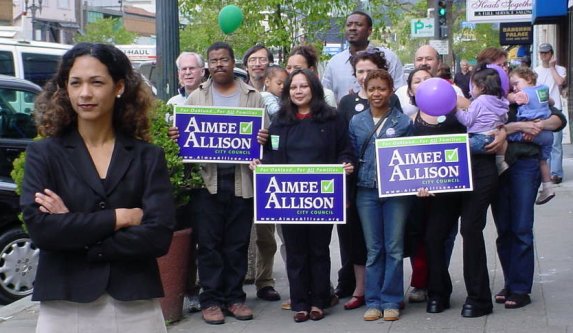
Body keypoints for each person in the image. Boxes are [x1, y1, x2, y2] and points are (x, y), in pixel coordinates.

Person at [20, 42, 175, 333]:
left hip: (135, 305)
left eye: (96, 82)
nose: (85, 93)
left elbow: (158, 236)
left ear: (118, 87)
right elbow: (42, 230)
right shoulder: (44, 154)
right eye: (75, 83)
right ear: (64, 88)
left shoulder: (148, 156)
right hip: (65, 304)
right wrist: (121, 218)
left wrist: (71, 226)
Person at [170, 42, 266, 325]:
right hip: (206, 182)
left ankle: (235, 298)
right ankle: (210, 300)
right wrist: (179, 136)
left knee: (236, 244)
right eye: (214, 60)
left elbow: (269, 138)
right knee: (209, 245)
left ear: (233, 62)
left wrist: (264, 140)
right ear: (208, 66)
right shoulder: (195, 98)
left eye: (224, 59)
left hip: (242, 181)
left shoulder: (253, 97)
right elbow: (186, 140)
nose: (219, 64)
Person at [252, 68, 355, 323]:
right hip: (289, 199)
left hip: (322, 198)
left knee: (319, 250)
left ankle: (319, 301)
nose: (298, 91)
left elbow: (345, 150)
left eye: (303, 86)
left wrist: (345, 163)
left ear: (314, 89)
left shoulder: (332, 119)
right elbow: (272, 156)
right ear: (288, 92)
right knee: (296, 251)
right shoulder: (280, 122)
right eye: (293, 87)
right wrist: (262, 164)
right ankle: (300, 302)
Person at [492, 89, 567, 310]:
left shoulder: (528, 94)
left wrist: (538, 125)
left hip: (525, 163)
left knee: (521, 227)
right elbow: (484, 127)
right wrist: (518, 126)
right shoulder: (492, 97)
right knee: (504, 229)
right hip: (495, 167)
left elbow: (558, 119)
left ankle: (521, 287)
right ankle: (510, 282)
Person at [349, 69, 413, 322]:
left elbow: (411, 159)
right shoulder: (356, 122)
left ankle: (392, 299)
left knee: (394, 247)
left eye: (382, 89)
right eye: (372, 89)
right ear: (365, 91)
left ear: (390, 91)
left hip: (396, 193)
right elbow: (351, 154)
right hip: (366, 191)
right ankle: (373, 300)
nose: (376, 93)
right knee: (374, 248)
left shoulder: (403, 122)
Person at [241, 45, 281, 302]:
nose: (258, 64)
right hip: (240, 173)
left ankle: (265, 281)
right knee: (240, 232)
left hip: (268, 172)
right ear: (246, 65)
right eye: (253, 60)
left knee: (266, 233)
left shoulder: (277, 97)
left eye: (263, 60)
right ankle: (239, 279)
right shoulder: (238, 93)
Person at [322, 10, 405, 104]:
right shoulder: (334, 63)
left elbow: (400, 91)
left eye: (358, 24)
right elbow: (326, 95)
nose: (352, 28)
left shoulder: (388, 58)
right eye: (349, 25)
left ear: (369, 30)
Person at [509, 67, 556, 204]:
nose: (514, 88)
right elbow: (551, 102)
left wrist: (511, 96)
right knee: (543, 160)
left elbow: (509, 99)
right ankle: (548, 187)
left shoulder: (524, 94)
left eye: (516, 83)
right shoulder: (543, 90)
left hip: (531, 131)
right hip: (547, 135)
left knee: (510, 136)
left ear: (528, 79)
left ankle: (501, 162)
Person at [455, 65, 509, 173]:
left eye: (473, 87)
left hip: (480, 139)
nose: (471, 91)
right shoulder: (500, 100)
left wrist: (456, 110)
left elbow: (467, 120)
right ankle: (500, 162)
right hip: (493, 138)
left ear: (482, 87)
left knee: (458, 148)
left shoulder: (479, 101)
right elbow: (505, 118)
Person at [395, 45, 464, 118]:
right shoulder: (401, 93)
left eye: (429, 59)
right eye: (419, 59)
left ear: (439, 63)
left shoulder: (454, 91)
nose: (424, 63)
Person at [534, 43, 566, 184]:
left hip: (555, 109)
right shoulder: (535, 71)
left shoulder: (560, 69)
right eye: (541, 53)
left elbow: (560, 82)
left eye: (546, 53)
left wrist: (552, 67)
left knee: (556, 144)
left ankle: (556, 173)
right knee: (541, 142)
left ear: (551, 54)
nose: (544, 56)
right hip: (540, 109)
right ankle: (542, 172)